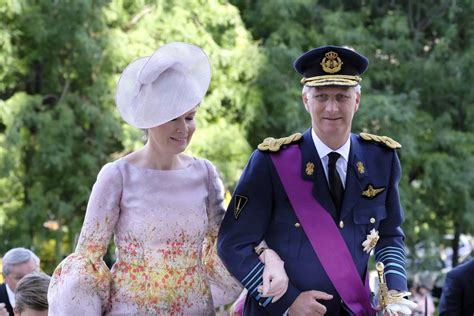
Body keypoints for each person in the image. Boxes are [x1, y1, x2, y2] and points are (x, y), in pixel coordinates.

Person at [48, 42, 287, 315]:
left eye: (190, 117)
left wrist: (269, 255)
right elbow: (87, 260)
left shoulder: (205, 173)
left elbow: (231, 237)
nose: (183, 128)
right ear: (148, 118)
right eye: (173, 118)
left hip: (196, 309)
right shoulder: (117, 175)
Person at [218, 45, 415, 315]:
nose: (331, 108)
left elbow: (389, 235)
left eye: (342, 97)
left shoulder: (381, 159)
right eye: (321, 96)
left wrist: (393, 290)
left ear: (356, 101)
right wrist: (288, 302)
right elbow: (232, 243)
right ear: (305, 101)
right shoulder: (271, 162)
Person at [1, 248, 40, 316]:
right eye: (20, 278)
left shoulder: (52, 294)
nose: (29, 282)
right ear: (5, 278)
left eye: (33, 275)